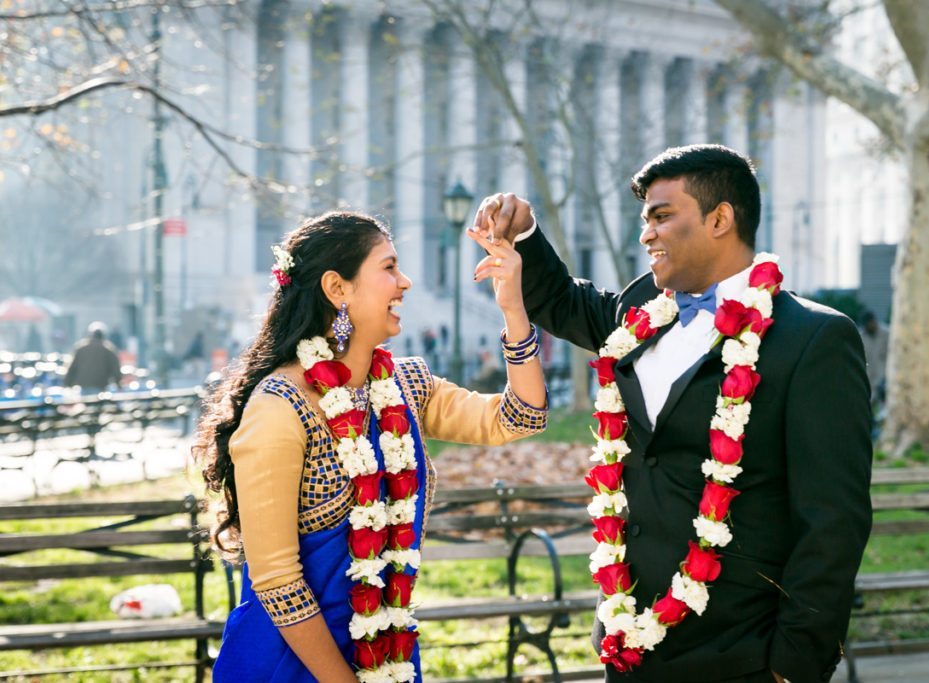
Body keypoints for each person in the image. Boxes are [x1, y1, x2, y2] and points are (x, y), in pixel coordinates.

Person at [474, 144, 872, 683]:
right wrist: (522, 232)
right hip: (628, 649)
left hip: (744, 657)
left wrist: (795, 664)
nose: (646, 235)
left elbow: (833, 520)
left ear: (719, 219)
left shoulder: (813, 338)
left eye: (662, 217)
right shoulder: (640, 313)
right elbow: (564, 302)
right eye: (646, 220)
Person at [194, 211, 547, 683]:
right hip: (293, 663)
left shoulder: (405, 386)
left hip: (388, 653)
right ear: (337, 289)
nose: (405, 282)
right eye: (388, 267)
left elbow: (522, 415)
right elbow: (278, 582)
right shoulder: (280, 408)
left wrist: (513, 309)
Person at [64, 322, 122, 393]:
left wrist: (68, 383)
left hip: (83, 386)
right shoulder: (108, 349)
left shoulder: (81, 348)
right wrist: (118, 384)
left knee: (85, 402)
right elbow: (115, 369)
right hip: (100, 386)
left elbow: (73, 367)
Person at [858, 310, 888, 407]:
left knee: (885, 410)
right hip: (868, 381)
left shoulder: (887, 334)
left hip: (884, 380)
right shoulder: (861, 336)